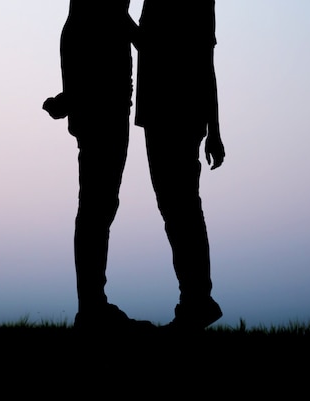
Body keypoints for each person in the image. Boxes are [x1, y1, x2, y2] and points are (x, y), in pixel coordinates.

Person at [43, 1, 153, 332]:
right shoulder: (101, 11)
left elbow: (78, 37)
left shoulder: (97, 14)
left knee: (98, 206)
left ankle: (93, 305)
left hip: (102, 106)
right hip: (103, 109)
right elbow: (89, 36)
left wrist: (71, 98)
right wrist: (73, 97)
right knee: (97, 207)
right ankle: (91, 308)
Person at [135, 0, 225, 331]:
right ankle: (194, 300)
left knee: (182, 208)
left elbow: (204, 61)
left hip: (176, 113)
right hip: (162, 113)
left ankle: (197, 300)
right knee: (177, 209)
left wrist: (215, 130)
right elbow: (152, 44)